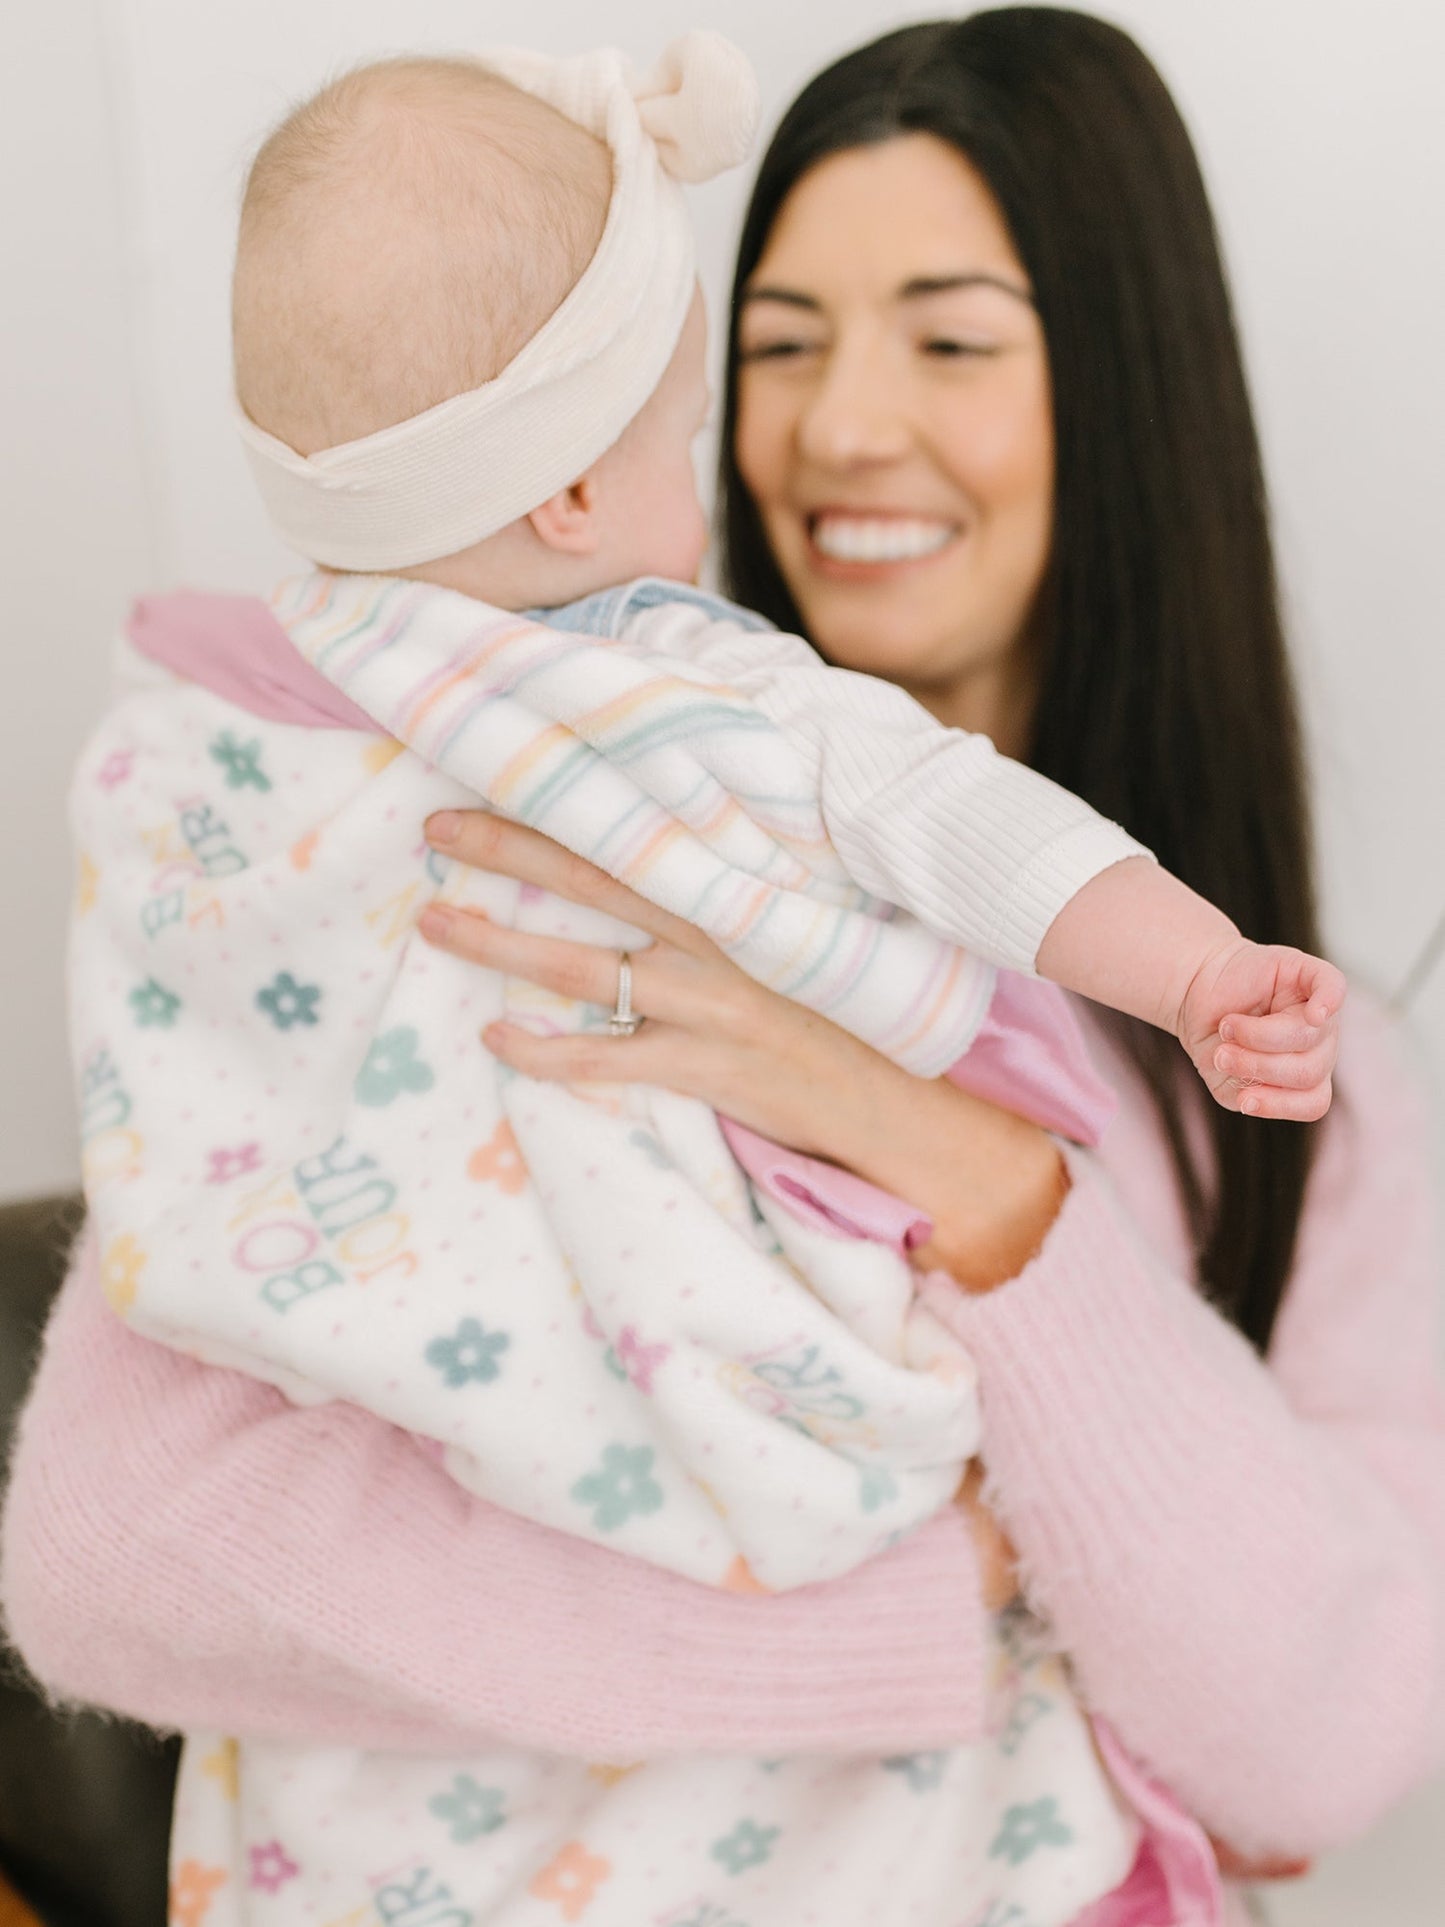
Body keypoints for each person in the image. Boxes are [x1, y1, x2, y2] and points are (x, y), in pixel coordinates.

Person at [3, 9, 1441, 1925]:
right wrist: (939, 1603)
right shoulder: (407, 859)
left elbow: (1320, 1751)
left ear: (1122, 390)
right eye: (775, 346)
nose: (837, 426)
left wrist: (975, 1174)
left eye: (948, 340)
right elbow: (111, 1562)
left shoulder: (1303, 1089)